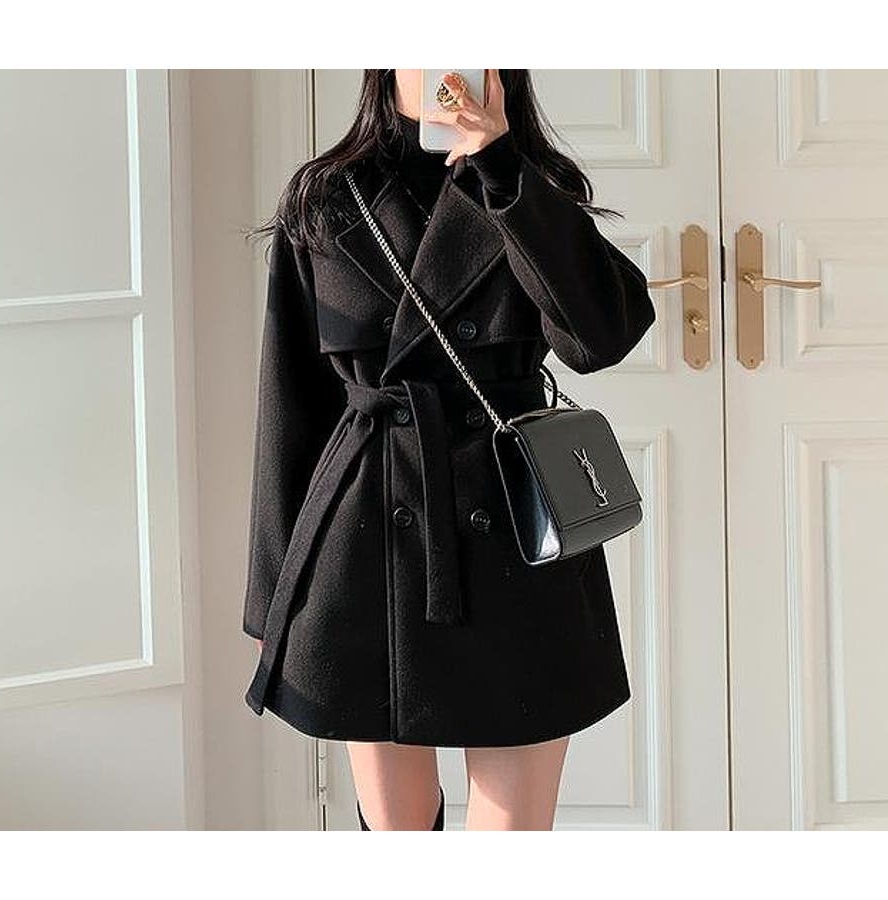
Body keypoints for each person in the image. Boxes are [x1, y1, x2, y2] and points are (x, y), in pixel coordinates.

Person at [243, 70, 656, 831]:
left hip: (516, 544)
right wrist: (272, 593)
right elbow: (290, 404)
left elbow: (599, 338)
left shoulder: (533, 188)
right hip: (366, 545)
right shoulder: (326, 198)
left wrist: (501, 169)